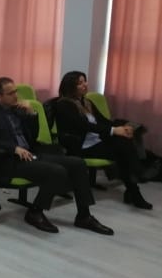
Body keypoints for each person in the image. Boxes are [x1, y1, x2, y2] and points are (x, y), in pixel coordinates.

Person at [0, 77, 114, 234]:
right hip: (7, 160)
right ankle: (35, 212)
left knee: (77, 163)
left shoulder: (17, 110)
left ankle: (84, 216)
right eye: (11, 93)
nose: (16, 96)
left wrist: (31, 114)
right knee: (57, 171)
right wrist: (13, 148)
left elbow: (33, 136)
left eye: (16, 91)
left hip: (30, 154)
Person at [55, 71, 151, 209]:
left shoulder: (86, 102)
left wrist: (122, 128)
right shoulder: (63, 105)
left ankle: (134, 188)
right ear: (71, 86)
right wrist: (114, 131)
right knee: (123, 150)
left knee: (124, 144)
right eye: (80, 83)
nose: (85, 85)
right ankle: (136, 184)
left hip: (96, 141)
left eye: (85, 81)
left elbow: (103, 121)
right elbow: (84, 126)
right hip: (82, 146)